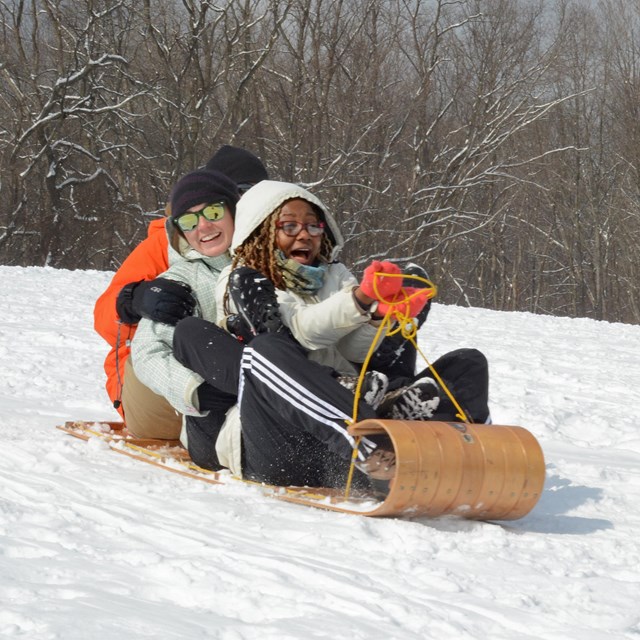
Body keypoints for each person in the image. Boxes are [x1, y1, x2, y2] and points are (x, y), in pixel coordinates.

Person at [171, 181, 434, 489]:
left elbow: (353, 350)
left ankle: (464, 451)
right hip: (279, 441)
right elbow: (297, 335)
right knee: (261, 348)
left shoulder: (334, 275)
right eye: (290, 226)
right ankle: (369, 442)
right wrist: (359, 301)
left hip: (330, 446)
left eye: (313, 226)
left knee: (468, 364)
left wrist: (379, 317)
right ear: (263, 230)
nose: (304, 234)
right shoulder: (242, 278)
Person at [93, 145, 269, 439]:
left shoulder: (266, 244)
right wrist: (133, 299)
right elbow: (103, 321)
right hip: (154, 387)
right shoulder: (169, 244)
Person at [124, 169, 243, 470]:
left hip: (271, 402)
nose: (204, 226)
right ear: (178, 231)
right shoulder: (181, 279)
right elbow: (146, 352)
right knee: (192, 332)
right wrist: (193, 390)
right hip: (213, 420)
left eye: (213, 211)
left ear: (234, 210)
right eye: (189, 221)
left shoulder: (271, 260)